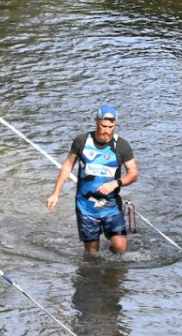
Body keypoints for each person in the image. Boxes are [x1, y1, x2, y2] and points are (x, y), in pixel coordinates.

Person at [46, 106, 138, 254]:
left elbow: (133, 174)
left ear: (115, 124)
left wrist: (116, 183)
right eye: (103, 126)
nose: (106, 130)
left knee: (120, 249)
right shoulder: (82, 141)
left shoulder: (121, 146)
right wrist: (55, 193)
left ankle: (112, 258)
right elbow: (67, 165)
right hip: (85, 207)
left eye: (110, 127)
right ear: (96, 121)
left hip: (111, 206)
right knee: (92, 255)